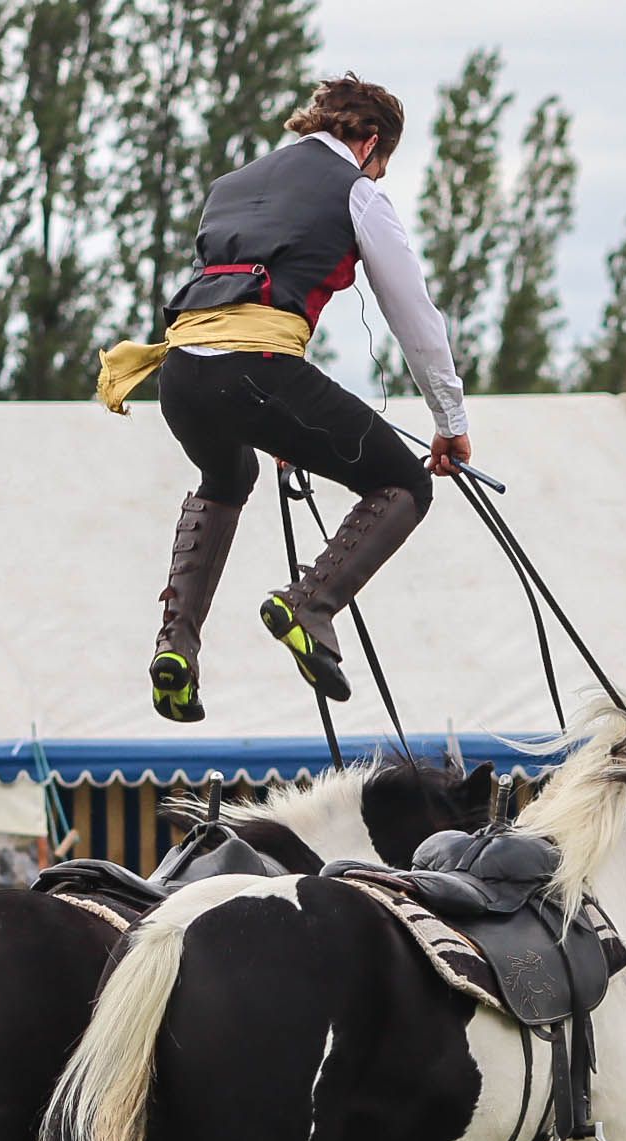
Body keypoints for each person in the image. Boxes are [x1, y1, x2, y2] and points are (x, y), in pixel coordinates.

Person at [96, 73, 471, 721]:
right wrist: (449, 421)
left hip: (182, 374)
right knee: (405, 485)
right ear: (371, 144)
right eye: (382, 167)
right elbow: (415, 317)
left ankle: (176, 645)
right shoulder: (357, 192)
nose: (379, 179)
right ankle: (310, 603)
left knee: (227, 473)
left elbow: (236, 302)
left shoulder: (230, 187)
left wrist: (279, 430)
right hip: (257, 372)